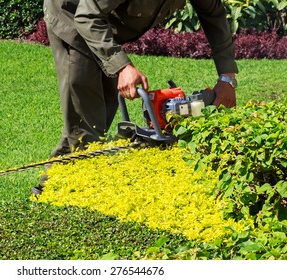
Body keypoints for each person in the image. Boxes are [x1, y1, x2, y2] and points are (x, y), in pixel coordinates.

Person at [32, 0, 238, 195]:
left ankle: (52, 189)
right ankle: (61, 194)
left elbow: (213, 14)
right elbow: (86, 16)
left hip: (100, 24)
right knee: (87, 124)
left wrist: (227, 78)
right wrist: (121, 66)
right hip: (72, 17)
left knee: (100, 115)